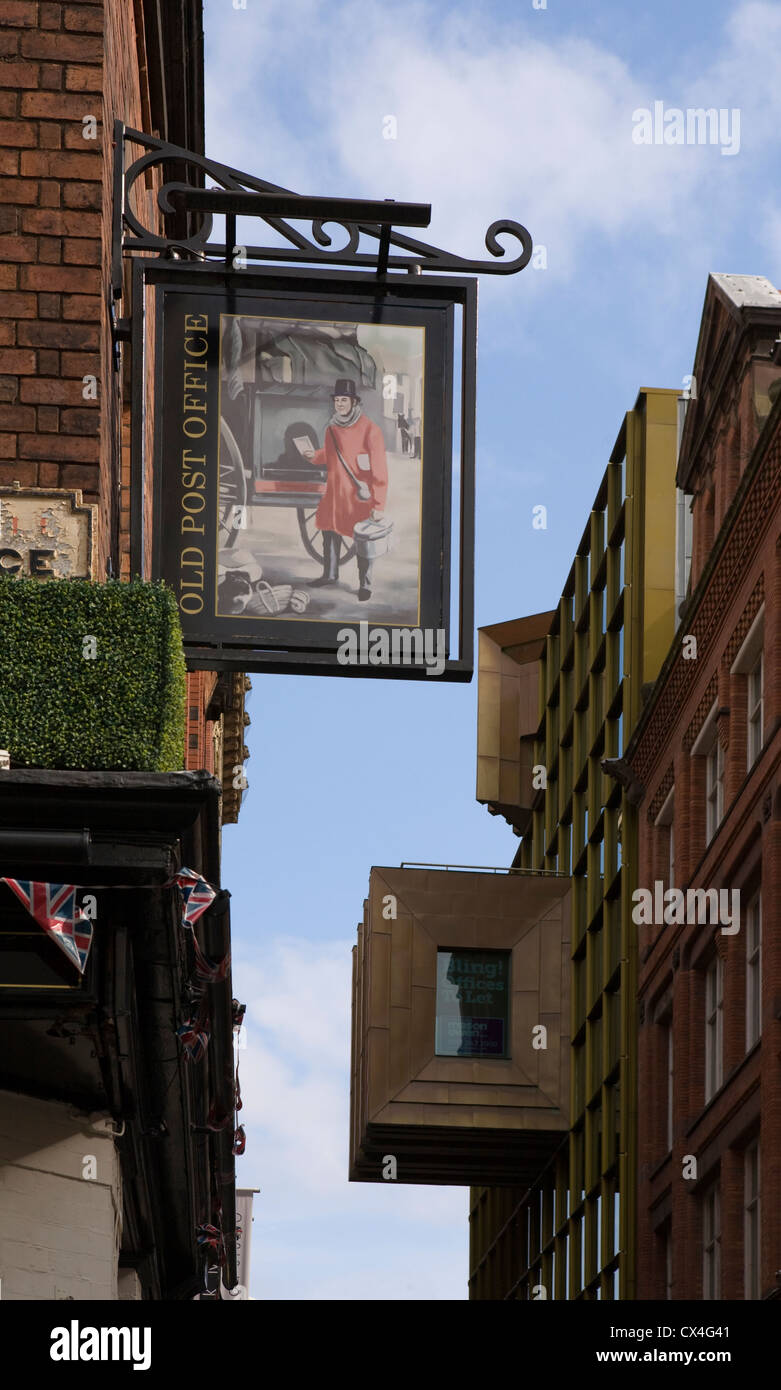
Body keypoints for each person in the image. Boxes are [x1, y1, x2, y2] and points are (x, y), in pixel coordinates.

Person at [300, 378, 387, 600]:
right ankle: (329, 574)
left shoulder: (370, 430)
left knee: (362, 542)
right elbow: (328, 456)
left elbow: (379, 469)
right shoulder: (332, 427)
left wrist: (379, 504)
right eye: (337, 400)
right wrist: (313, 457)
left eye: (344, 400)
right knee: (329, 532)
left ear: (354, 402)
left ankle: (365, 585)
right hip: (334, 494)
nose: (339, 404)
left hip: (357, 497)